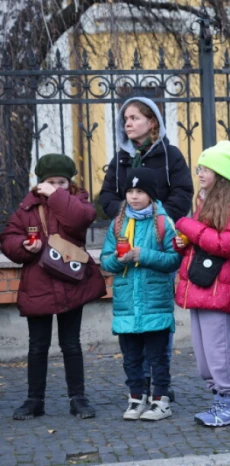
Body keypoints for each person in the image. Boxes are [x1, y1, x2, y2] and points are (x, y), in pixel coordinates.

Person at [98, 96, 193, 401]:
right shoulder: (120, 159)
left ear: (152, 122)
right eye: (125, 118)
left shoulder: (170, 156)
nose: (128, 123)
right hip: (127, 235)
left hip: (158, 237)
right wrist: (124, 216)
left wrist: (160, 217)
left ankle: (159, 384)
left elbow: (183, 192)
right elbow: (107, 196)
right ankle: (141, 387)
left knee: (156, 316)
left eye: (135, 117)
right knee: (133, 324)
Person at [0, 154, 106, 420]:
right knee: (37, 346)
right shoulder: (28, 208)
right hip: (38, 285)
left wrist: (56, 194)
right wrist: (25, 246)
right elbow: (9, 238)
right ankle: (34, 400)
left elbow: (81, 220)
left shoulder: (77, 202)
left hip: (71, 283)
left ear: (69, 183)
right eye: (50, 182)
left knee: (71, 344)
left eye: (61, 182)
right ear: (40, 182)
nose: (56, 186)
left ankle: (78, 398)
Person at [173, 141, 230, 426]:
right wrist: (182, 245)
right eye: (199, 168)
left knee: (219, 350)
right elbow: (203, 244)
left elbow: (225, 244)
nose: (199, 173)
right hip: (201, 285)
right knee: (203, 354)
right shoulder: (206, 202)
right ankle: (219, 400)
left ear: (220, 174)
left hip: (218, 288)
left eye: (205, 169)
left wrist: (187, 226)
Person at [100, 168, 182, 421]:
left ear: (151, 195)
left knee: (158, 357)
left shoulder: (163, 223)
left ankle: (160, 401)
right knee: (131, 357)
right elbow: (105, 261)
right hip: (126, 305)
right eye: (130, 191)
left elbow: (174, 259)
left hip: (154, 302)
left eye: (140, 192)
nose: (134, 197)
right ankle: (136, 398)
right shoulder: (118, 223)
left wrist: (142, 255)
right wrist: (117, 258)